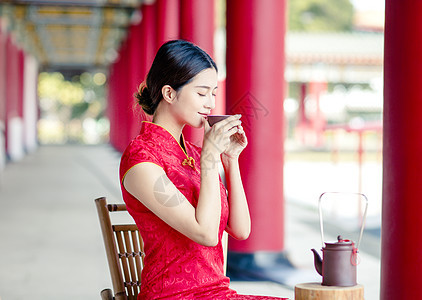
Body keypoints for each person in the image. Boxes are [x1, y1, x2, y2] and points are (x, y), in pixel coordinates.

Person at [119, 40, 288, 300]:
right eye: (201, 93)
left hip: (216, 293)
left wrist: (230, 161)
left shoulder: (196, 155)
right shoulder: (141, 160)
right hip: (171, 295)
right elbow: (207, 234)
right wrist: (210, 157)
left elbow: (241, 230)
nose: (210, 103)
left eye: (214, 93)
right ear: (169, 93)